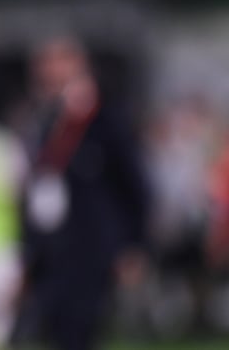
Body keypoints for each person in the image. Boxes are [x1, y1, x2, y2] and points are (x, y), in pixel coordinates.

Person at [8, 34, 150, 350]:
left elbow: (134, 186)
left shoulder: (105, 119)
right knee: (54, 330)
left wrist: (133, 246)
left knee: (81, 329)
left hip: (91, 248)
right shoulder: (43, 121)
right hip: (51, 251)